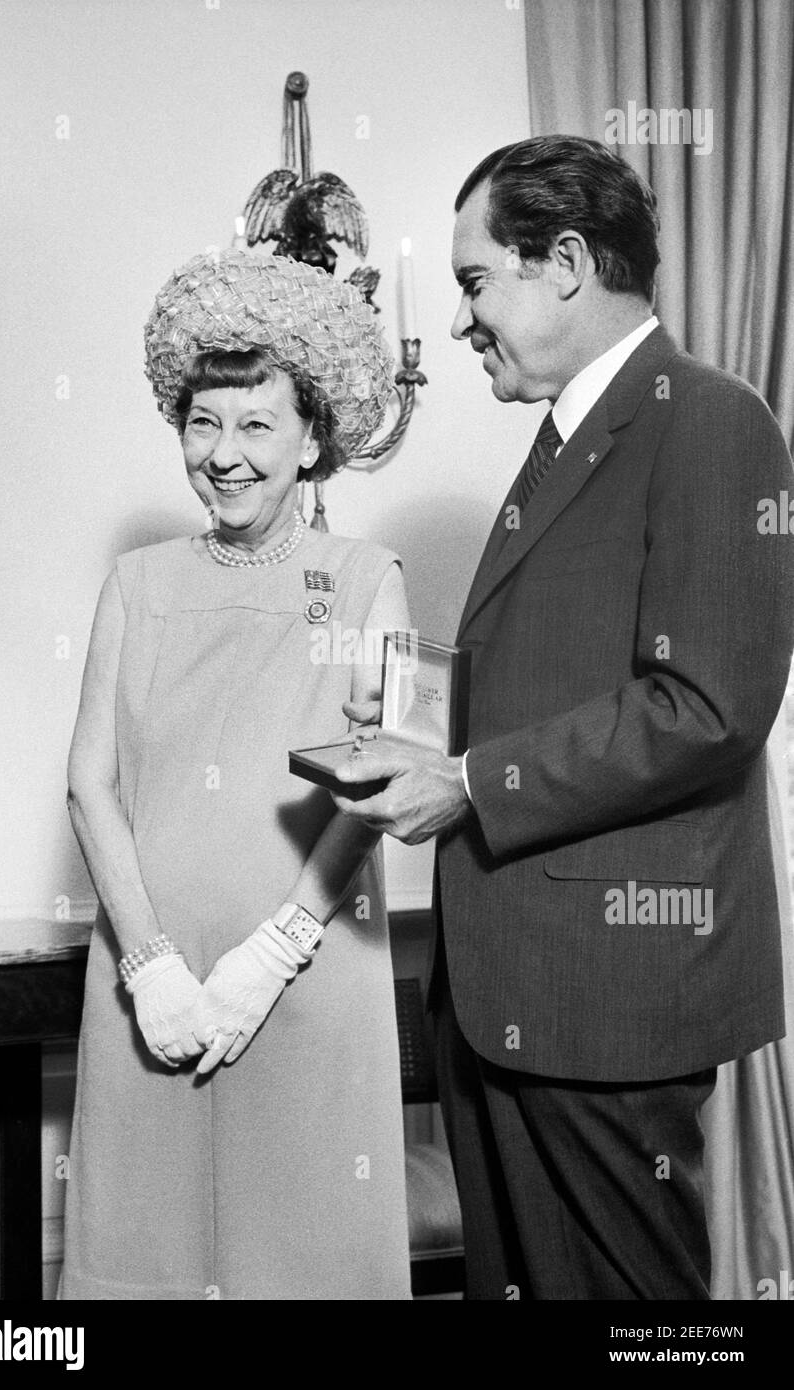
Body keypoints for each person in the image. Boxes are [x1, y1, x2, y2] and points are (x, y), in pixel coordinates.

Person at [333, 135, 794, 1300]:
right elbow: (566, 678)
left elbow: (705, 707)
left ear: (569, 263)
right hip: (509, 993)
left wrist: (472, 781)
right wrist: (415, 725)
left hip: (608, 997)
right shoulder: (565, 439)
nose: (458, 322)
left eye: (475, 280)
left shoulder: (712, 424)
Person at [61, 249, 412, 1300]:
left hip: (313, 983)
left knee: (306, 1262)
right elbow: (90, 785)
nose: (224, 454)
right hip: (148, 989)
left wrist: (277, 950)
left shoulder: (367, 581)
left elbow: (383, 782)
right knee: (145, 1262)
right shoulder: (137, 583)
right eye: (202, 422)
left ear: (313, 441)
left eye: (257, 425)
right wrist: (150, 967)